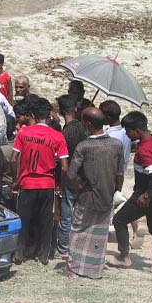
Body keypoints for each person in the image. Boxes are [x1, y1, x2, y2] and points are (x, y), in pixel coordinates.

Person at [108, 111, 152, 276]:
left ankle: (124, 256)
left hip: (145, 195)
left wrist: (147, 195)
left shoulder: (144, 151)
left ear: (136, 131)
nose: (127, 135)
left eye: (128, 131)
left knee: (119, 220)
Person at [66, 108, 125, 279]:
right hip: (107, 196)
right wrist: (115, 191)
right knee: (99, 234)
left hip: (87, 197)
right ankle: (94, 270)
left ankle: (74, 269)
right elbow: (119, 174)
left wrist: (80, 185)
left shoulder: (84, 146)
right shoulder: (116, 145)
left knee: (79, 231)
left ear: (88, 125)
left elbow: (71, 175)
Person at [10, 97, 69, 265]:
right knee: (46, 220)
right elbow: (64, 167)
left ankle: (19, 253)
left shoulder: (24, 133)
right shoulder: (57, 136)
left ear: (34, 115)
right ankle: (43, 255)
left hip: (27, 183)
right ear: (49, 116)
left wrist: (16, 180)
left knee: (23, 219)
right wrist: (60, 186)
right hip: (47, 184)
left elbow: (13, 159)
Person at [99, 99, 142, 245]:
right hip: (121, 172)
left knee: (113, 202)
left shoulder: (108, 135)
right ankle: (136, 226)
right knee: (118, 200)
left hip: (108, 172)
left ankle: (104, 234)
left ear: (107, 117)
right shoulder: (126, 132)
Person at [55, 94, 88, 257]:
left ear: (60, 112)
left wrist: (61, 183)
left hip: (69, 178)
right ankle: (78, 244)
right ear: (76, 109)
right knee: (80, 215)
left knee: (66, 215)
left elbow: (63, 163)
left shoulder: (64, 134)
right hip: (84, 177)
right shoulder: (84, 128)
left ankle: (63, 247)